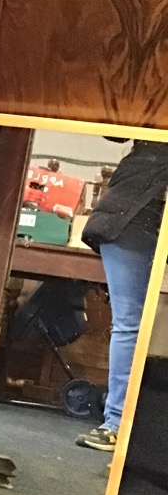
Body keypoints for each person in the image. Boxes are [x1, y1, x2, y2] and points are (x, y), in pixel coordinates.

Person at [77, 139, 168, 450]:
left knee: (131, 322)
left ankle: (118, 423)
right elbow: (114, 125)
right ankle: (116, 422)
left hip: (134, 203)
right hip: (135, 208)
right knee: (131, 322)